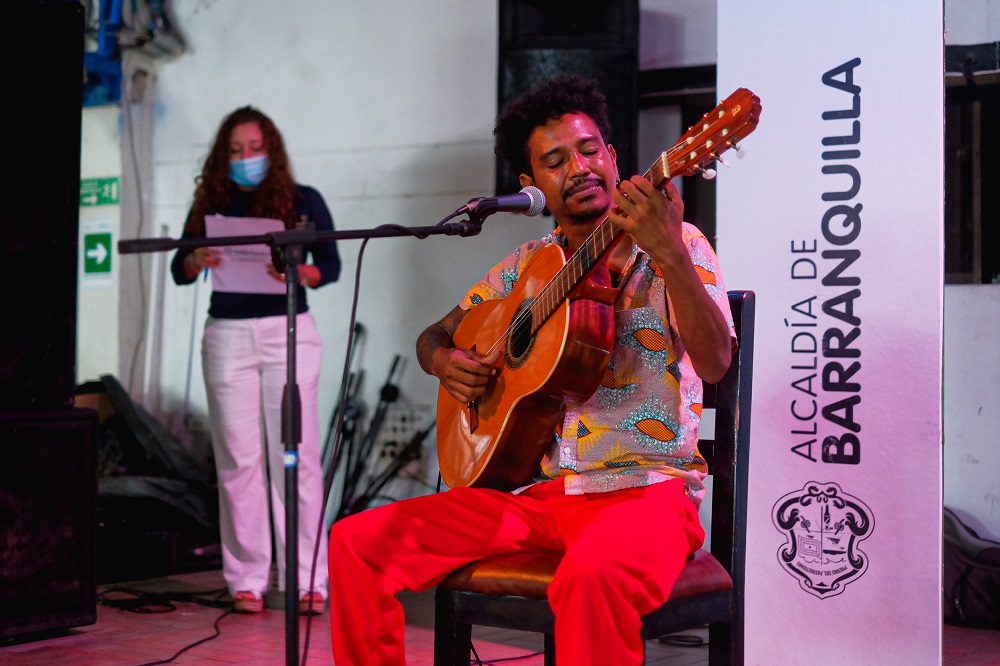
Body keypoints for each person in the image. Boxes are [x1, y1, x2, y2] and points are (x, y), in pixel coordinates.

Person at [327, 75, 735, 664]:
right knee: (357, 542)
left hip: (644, 492)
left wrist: (669, 251)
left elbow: (718, 361)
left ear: (614, 157)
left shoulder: (678, 242)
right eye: (554, 160)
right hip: (537, 496)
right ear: (531, 185)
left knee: (588, 580)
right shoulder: (525, 267)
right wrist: (445, 362)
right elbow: (435, 334)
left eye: (589, 149)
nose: (580, 167)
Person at [170, 106, 341, 615]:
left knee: (298, 457)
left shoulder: (303, 199)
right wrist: (196, 258)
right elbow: (179, 268)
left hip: (287, 331)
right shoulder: (211, 202)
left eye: (254, 148)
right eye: (236, 150)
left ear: (273, 150)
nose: (246, 158)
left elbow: (329, 264)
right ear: (224, 156)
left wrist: (299, 274)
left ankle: (308, 578)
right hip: (226, 335)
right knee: (238, 462)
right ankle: (246, 577)